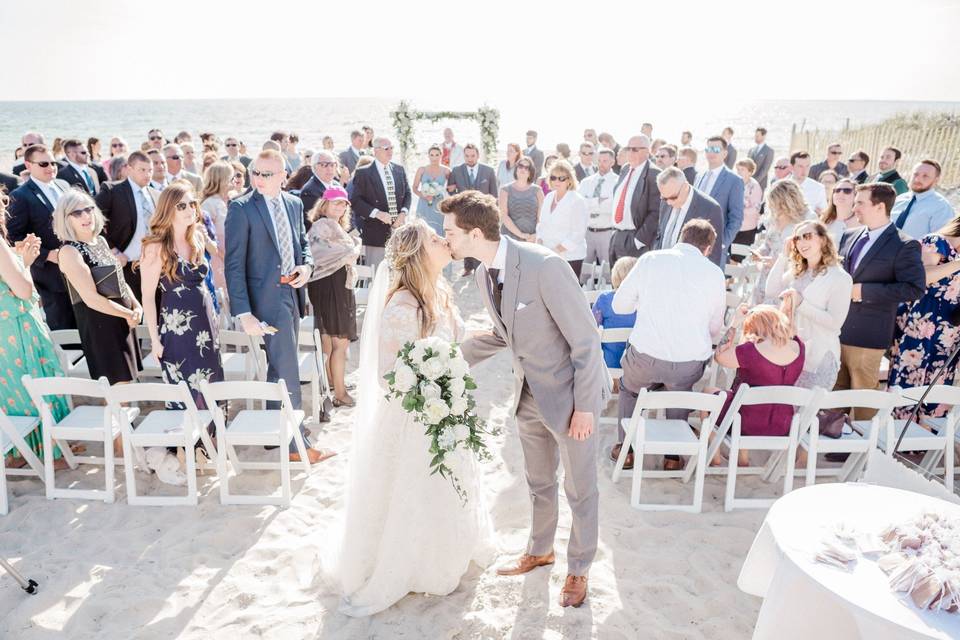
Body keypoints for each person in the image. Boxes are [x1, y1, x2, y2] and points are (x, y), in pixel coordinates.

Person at [443, 191, 606, 609]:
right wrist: (443, 360)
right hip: (528, 395)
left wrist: (585, 407)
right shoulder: (481, 274)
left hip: (571, 398)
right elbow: (503, 334)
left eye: (450, 232)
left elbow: (586, 339)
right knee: (539, 482)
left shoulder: (544, 266)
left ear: (475, 233)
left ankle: (579, 569)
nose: (446, 240)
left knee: (581, 488)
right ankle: (540, 550)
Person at [333, 219, 493, 617]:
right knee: (415, 487)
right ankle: (415, 562)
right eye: (435, 239)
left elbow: (455, 344)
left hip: (447, 406)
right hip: (414, 417)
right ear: (420, 254)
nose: (444, 240)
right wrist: (431, 384)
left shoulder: (439, 292)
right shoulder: (402, 306)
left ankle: (447, 550)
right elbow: (389, 374)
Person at [225, 149, 334, 464]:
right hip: (265, 301)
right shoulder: (241, 208)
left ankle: (277, 434)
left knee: (278, 365)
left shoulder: (295, 203)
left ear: (283, 174)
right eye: (255, 173)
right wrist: (243, 312)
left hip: (293, 294)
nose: (258, 179)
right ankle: (295, 442)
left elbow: (302, 244)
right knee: (287, 366)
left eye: (266, 174)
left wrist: (307, 268)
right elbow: (234, 265)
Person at [612, 219, 725, 471]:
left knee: (630, 390)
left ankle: (626, 450)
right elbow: (715, 328)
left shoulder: (651, 259)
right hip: (687, 363)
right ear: (707, 249)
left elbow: (619, 306)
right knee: (679, 393)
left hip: (645, 358)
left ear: (680, 238)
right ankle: (673, 457)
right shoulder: (715, 273)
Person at [837, 183, 925, 418]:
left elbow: (914, 289)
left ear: (879, 206)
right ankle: (832, 444)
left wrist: (865, 292)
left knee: (863, 398)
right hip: (837, 328)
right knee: (835, 393)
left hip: (868, 334)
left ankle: (864, 448)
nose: (854, 207)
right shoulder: (848, 236)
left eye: (860, 202)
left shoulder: (904, 244)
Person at [0, 194, 69, 469]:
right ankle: (52, 453)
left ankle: (19, 451)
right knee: (37, 383)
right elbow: (23, 290)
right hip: (18, 327)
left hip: (3, 329)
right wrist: (26, 262)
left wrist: (19, 257)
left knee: (10, 389)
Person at [140, 183, 223, 404]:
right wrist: (155, 340)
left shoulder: (196, 238)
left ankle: (213, 438)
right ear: (168, 210)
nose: (190, 210)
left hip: (206, 328)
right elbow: (147, 297)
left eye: (192, 204)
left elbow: (221, 260)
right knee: (185, 392)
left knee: (212, 389)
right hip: (177, 331)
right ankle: (189, 439)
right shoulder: (156, 247)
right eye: (182, 205)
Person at [55, 190, 142, 383]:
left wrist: (136, 306)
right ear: (65, 219)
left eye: (89, 209)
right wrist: (128, 314)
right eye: (77, 213)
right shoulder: (69, 251)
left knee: (128, 383)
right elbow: (91, 298)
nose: (86, 216)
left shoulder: (100, 241)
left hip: (121, 321)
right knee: (117, 390)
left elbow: (119, 280)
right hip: (101, 328)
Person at [711, 305, 805, 465]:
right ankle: (742, 460)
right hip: (781, 424)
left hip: (746, 424)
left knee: (710, 393)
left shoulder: (750, 351)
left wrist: (734, 324)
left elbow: (718, 356)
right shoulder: (799, 347)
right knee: (744, 404)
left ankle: (715, 458)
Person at [765, 220, 852, 390]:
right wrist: (783, 256)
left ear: (822, 240)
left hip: (819, 359)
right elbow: (771, 290)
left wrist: (801, 303)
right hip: (791, 354)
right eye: (797, 238)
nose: (801, 242)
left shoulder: (840, 278)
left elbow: (835, 323)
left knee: (805, 413)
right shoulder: (797, 272)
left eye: (807, 236)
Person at [889, 215, 960, 419]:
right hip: (921, 323)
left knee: (937, 385)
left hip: (949, 332)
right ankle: (899, 439)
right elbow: (924, 277)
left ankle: (925, 440)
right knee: (910, 380)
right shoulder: (936, 242)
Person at [6, 144, 76, 331]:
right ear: (28, 165)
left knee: (84, 326)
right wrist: (46, 255)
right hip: (49, 275)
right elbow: (13, 238)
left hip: (77, 267)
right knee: (63, 328)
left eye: (54, 163)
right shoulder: (20, 196)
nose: (51, 168)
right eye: (44, 164)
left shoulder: (64, 186)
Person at [306, 188, 361, 408]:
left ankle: (333, 383)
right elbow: (346, 253)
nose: (340, 207)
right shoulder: (324, 225)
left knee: (329, 341)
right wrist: (355, 246)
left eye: (343, 203)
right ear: (324, 204)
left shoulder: (330, 226)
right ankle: (340, 392)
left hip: (327, 284)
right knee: (340, 342)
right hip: (332, 286)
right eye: (335, 203)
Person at [96, 150, 161, 302]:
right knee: (132, 311)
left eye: (150, 170)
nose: (148, 174)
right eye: (142, 170)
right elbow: (93, 222)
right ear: (129, 169)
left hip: (154, 264)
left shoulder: (156, 195)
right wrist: (113, 251)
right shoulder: (112, 190)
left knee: (156, 310)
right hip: (126, 263)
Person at [350, 136, 411, 270]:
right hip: (375, 233)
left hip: (399, 231)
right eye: (386, 148)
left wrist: (403, 213)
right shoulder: (363, 172)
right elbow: (355, 201)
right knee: (376, 275)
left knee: (398, 272)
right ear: (376, 151)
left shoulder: (399, 169)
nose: (390, 151)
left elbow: (407, 193)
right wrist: (376, 213)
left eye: (391, 148)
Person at [751, 180, 813, 304]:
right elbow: (768, 244)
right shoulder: (772, 217)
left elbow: (810, 256)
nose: (774, 208)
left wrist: (781, 264)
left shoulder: (808, 219)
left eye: (777, 204)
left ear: (788, 201)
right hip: (765, 278)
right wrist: (759, 252)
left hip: (789, 281)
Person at [654, 166, 725, 266]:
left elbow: (713, 255)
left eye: (673, 197)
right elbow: (660, 235)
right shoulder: (666, 199)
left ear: (685, 187)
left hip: (687, 275)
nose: (668, 202)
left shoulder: (710, 209)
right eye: (664, 198)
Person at [608, 135, 661, 263]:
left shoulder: (654, 174)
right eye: (628, 148)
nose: (630, 152)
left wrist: (639, 241)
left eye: (635, 149)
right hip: (617, 237)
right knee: (616, 282)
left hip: (636, 241)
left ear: (647, 152)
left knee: (634, 282)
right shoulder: (625, 169)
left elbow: (656, 212)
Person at [447, 144, 498, 276]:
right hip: (464, 213)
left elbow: (494, 194)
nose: (470, 158)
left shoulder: (488, 171)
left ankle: (481, 267)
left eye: (473, 156)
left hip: (483, 213)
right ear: (464, 156)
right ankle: (468, 267)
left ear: (478, 155)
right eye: (467, 156)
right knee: (466, 237)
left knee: (481, 238)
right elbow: (451, 192)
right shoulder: (456, 170)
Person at [536, 160, 588, 277]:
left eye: (561, 178)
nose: (557, 181)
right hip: (547, 256)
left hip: (570, 257)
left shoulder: (577, 200)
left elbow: (577, 234)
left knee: (567, 293)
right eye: (553, 177)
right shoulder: (549, 197)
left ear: (569, 180)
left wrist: (556, 250)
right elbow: (541, 225)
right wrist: (539, 243)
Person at [695, 135, 743, 251]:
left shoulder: (734, 180)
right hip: (693, 242)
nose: (711, 153)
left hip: (715, 246)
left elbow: (736, 218)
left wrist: (722, 244)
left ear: (725, 154)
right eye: (708, 149)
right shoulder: (699, 176)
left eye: (716, 149)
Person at [592, 256, 638, 374]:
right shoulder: (644, 301)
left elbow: (592, 327)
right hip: (636, 365)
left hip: (609, 365)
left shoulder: (604, 299)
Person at [578, 148, 619, 281]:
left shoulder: (617, 182)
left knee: (608, 273)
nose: (601, 164)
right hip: (587, 233)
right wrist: (599, 201)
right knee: (582, 272)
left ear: (612, 162)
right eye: (599, 161)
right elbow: (580, 205)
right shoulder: (586, 182)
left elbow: (612, 206)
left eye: (605, 161)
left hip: (607, 233)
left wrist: (590, 202)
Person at [890, 159, 954, 239]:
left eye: (925, 176)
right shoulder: (899, 199)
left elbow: (941, 241)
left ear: (936, 180)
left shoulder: (941, 207)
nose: (917, 179)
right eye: (915, 174)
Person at [200, 161, 234, 290]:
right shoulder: (209, 204)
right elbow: (206, 236)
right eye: (231, 177)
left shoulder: (228, 200)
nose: (234, 180)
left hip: (230, 259)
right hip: (218, 260)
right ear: (222, 179)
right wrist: (224, 256)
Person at [498, 156, 542, 242]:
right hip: (510, 238)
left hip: (532, 238)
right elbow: (504, 216)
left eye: (527, 168)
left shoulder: (538, 191)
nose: (523, 169)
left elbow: (541, 217)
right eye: (520, 166)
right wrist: (521, 235)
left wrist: (535, 235)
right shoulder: (505, 190)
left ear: (531, 172)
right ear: (516, 168)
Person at [412, 144, 450, 236]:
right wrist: (424, 195)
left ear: (441, 155)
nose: (434, 158)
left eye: (437, 155)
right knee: (423, 230)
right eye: (432, 155)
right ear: (428, 156)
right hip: (424, 204)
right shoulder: (422, 170)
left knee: (439, 229)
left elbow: (450, 189)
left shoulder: (447, 171)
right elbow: (414, 188)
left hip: (438, 205)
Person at [299, 150, 341, 227]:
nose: (329, 169)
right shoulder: (310, 191)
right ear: (314, 167)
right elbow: (313, 221)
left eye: (332, 165)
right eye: (324, 165)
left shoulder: (337, 185)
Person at [819, 177, 862, 246]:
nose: (841, 193)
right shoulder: (824, 219)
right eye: (837, 190)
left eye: (847, 191)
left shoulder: (862, 221)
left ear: (856, 196)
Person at [734, 158, 763, 248]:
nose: (739, 172)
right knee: (730, 254)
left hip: (747, 228)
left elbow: (756, 208)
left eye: (742, 170)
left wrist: (740, 211)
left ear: (750, 172)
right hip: (734, 226)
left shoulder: (755, 186)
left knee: (741, 253)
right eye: (738, 169)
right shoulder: (734, 183)